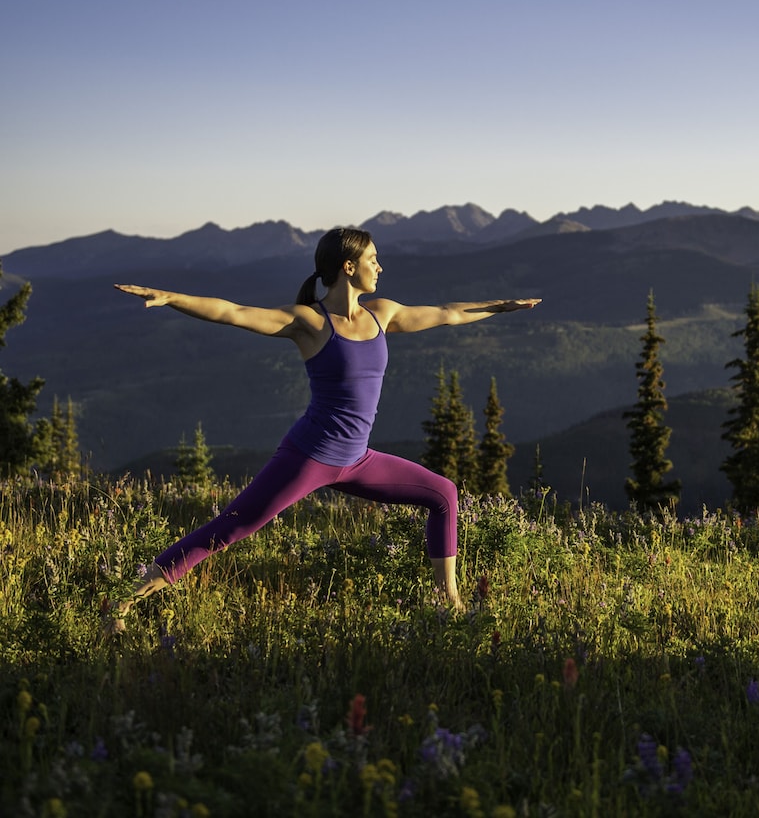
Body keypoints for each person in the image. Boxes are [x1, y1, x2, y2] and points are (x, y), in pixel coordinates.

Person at [109, 226, 540, 627]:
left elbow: (448, 313)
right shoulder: (310, 323)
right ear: (348, 267)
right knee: (231, 527)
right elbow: (233, 312)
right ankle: (123, 600)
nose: (380, 266)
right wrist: (171, 298)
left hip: (358, 460)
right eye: (373, 259)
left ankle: (450, 602)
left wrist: (501, 306)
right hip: (308, 457)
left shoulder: (382, 314)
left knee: (444, 494)